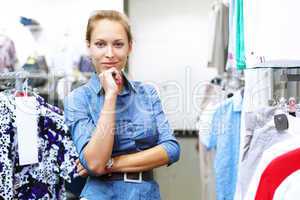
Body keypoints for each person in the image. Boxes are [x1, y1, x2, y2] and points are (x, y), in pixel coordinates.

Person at [64, 10, 180, 199]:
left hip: (146, 194)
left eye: (118, 44)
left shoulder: (148, 94)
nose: (109, 54)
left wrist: (111, 163)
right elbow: (94, 163)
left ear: (130, 47)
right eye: (100, 44)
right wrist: (110, 95)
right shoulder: (78, 99)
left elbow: (171, 149)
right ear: (89, 48)